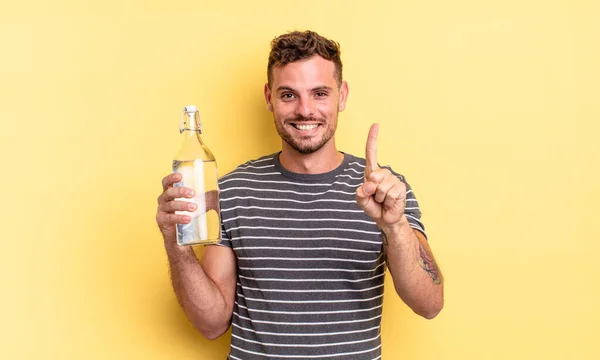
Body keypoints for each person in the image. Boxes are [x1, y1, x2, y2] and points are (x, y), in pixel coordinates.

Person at [156, 30, 444, 359]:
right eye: (289, 95)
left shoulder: (386, 191)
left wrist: (394, 226)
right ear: (269, 97)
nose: (305, 110)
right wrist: (175, 242)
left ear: (342, 95)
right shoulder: (233, 190)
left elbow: (430, 304)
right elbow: (211, 324)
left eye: (320, 93)